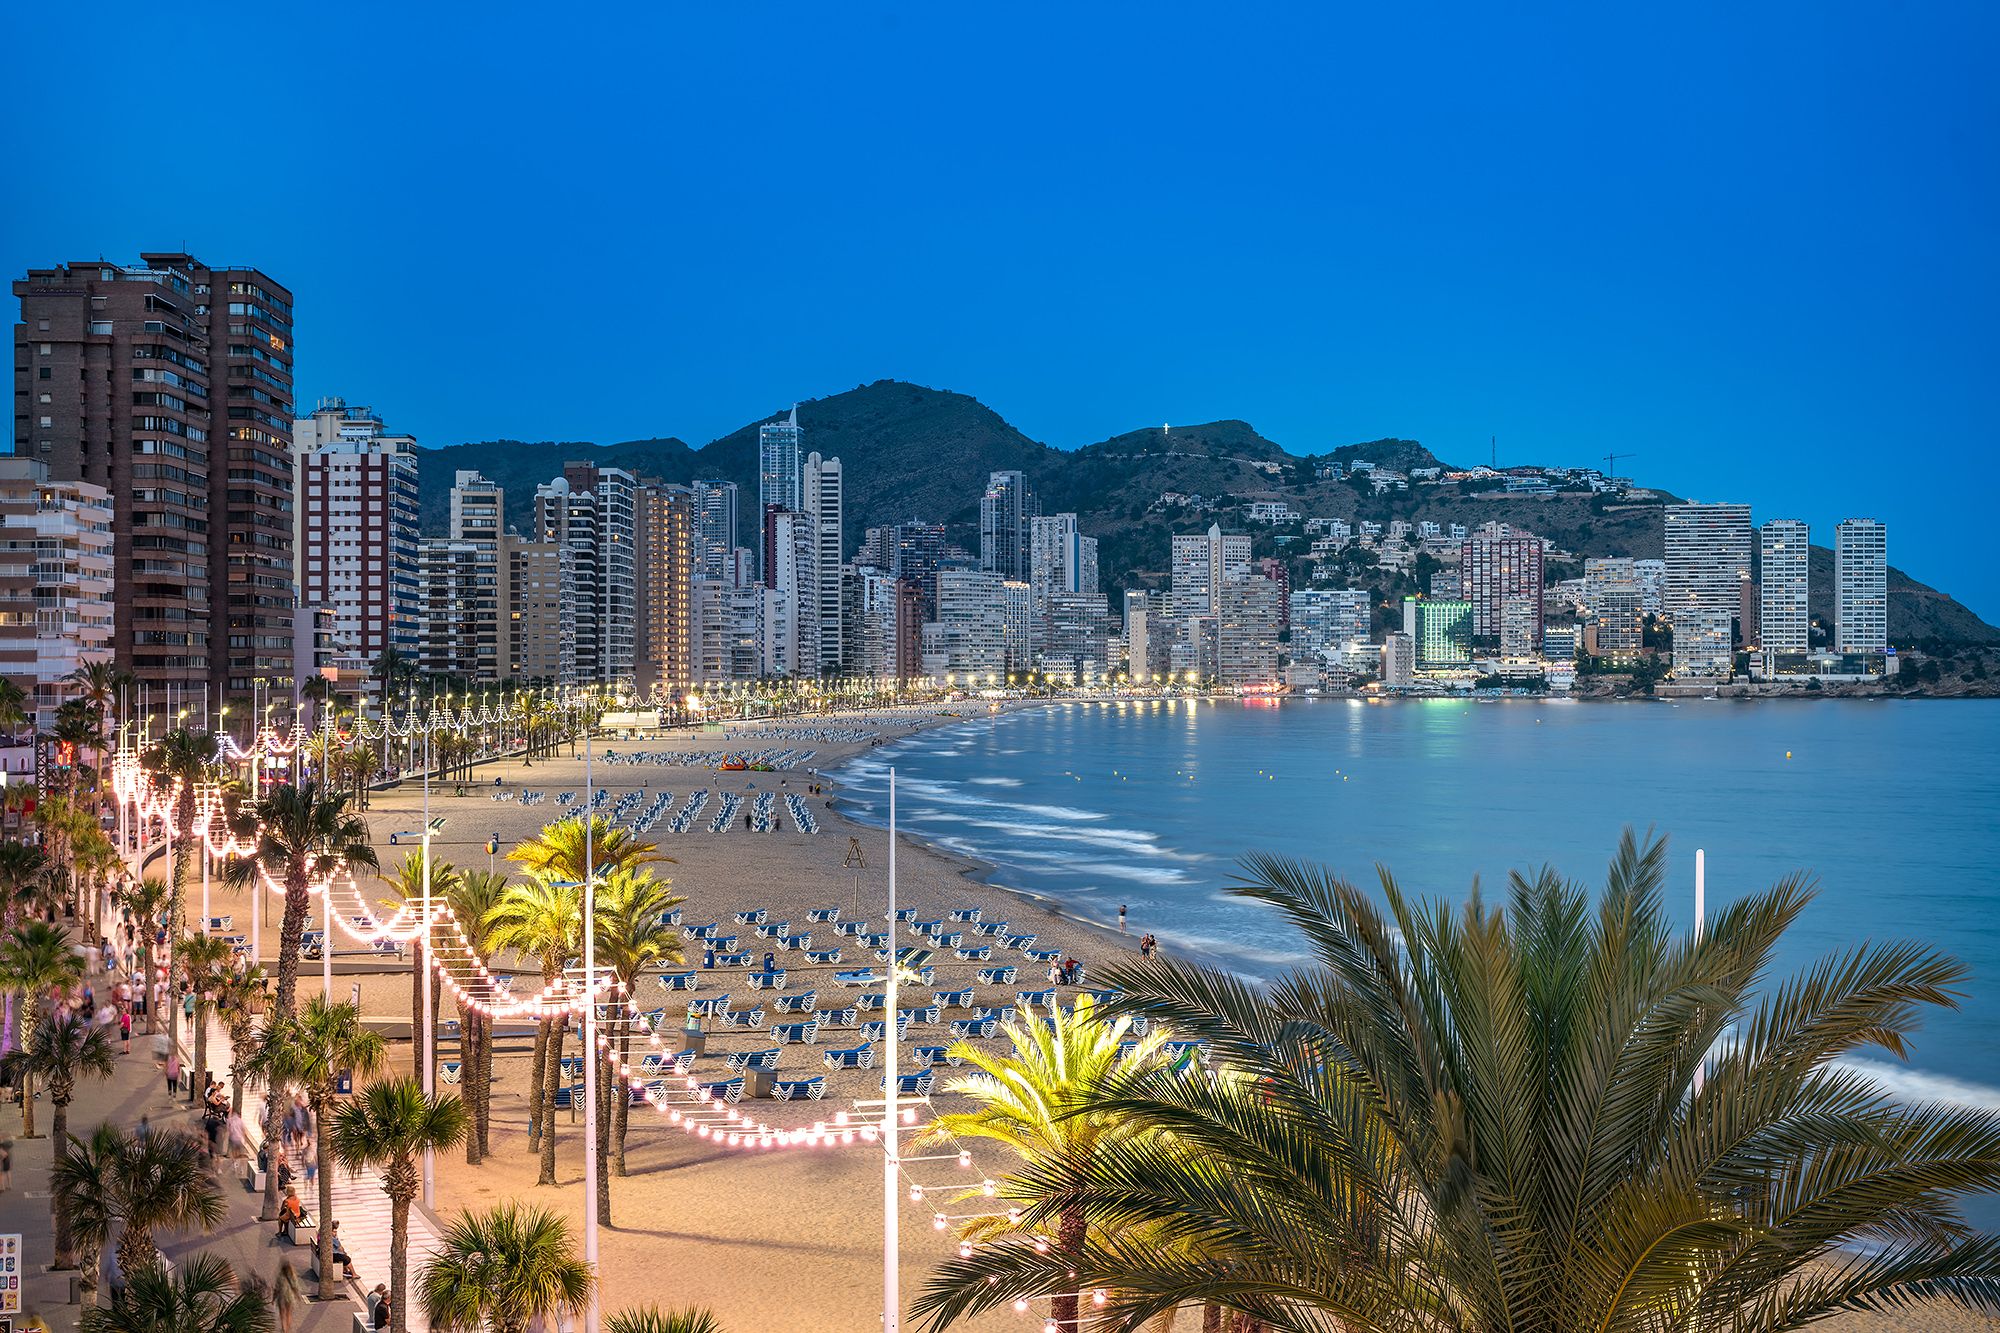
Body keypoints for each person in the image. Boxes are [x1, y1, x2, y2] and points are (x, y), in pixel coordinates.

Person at [272, 1258, 302, 1333]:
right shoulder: (292, 1275)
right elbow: (295, 1286)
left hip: (281, 1297)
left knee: (282, 1314)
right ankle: (287, 1329)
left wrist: (273, 1298)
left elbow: (276, 1288)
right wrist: (298, 1296)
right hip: (290, 1297)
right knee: (289, 1314)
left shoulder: (280, 1276)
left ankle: (284, 1328)